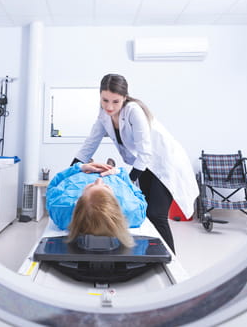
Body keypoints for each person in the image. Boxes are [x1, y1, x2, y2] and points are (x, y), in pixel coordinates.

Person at [72, 74, 199, 253]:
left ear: (124, 97)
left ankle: (171, 261)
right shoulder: (104, 115)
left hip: (165, 163)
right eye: (105, 100)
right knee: (143, 211)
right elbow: (89, 146)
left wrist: (127, 179)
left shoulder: (133, 110)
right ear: (100, 95)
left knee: (157, 214)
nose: (109, 106)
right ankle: (150, 254)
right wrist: (71, 171)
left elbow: (146, 152)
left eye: (115, 101)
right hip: (145, 164)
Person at [46, 159, 147, 248]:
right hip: (112, 175)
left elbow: (51, 188)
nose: (99, 180)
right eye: (106, 187)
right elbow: (139, 195)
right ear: (115, 202)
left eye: (90, 186)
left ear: (79, 201)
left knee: (89, 166)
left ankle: (90, 163)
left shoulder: (62, 209)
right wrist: (119, 172)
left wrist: (80, 167)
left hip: (82, 174)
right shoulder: (131, 210)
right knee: (110, 168)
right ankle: (110, 165)